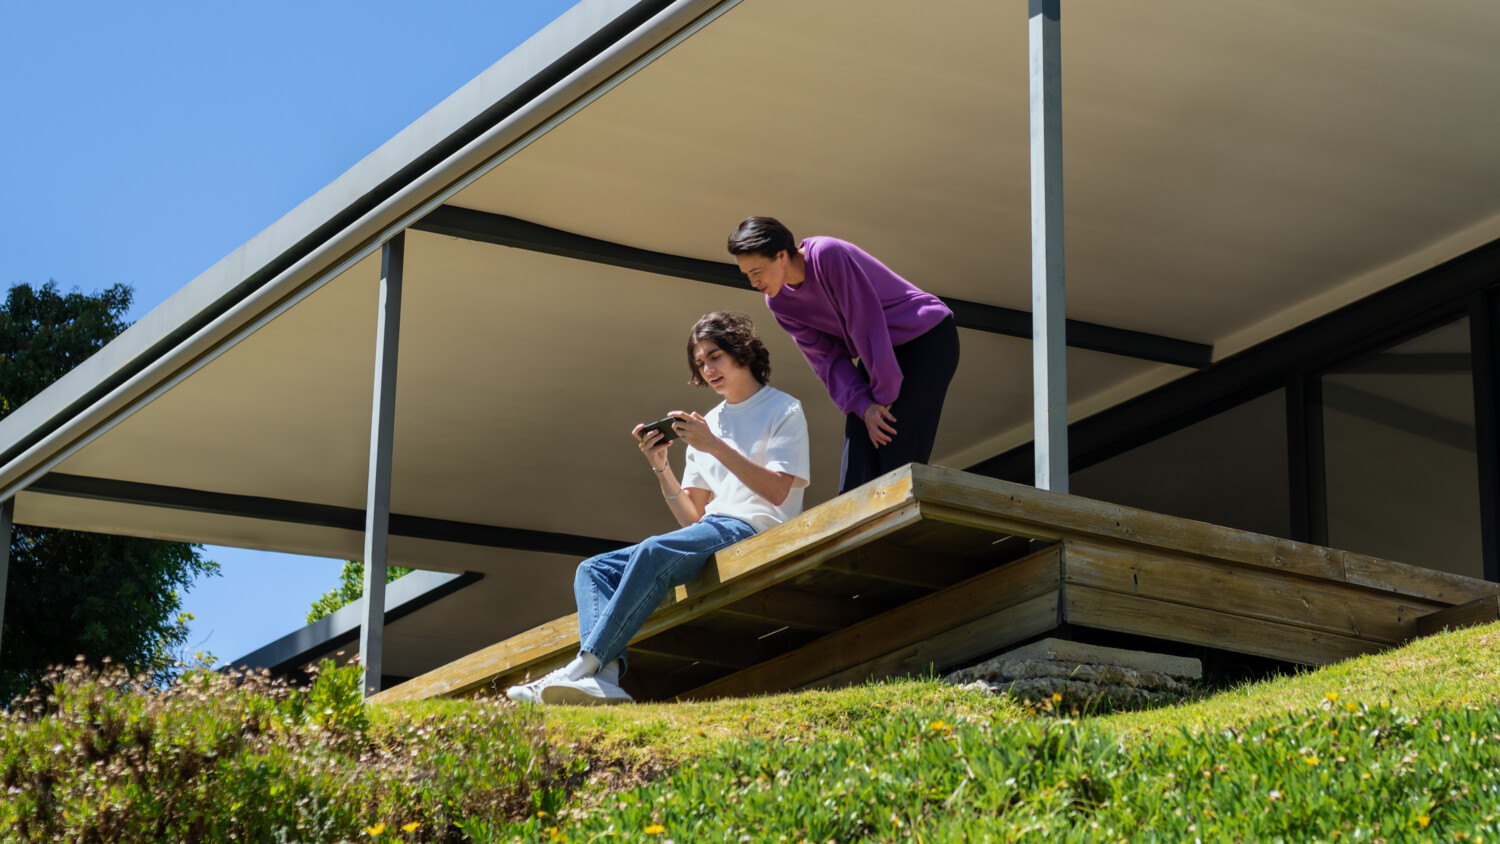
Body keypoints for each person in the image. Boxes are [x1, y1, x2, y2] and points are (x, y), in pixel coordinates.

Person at [507, 311, 810, 706]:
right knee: (592, 569)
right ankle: (606, 677)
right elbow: (694, 518)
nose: (707, 369)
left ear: (743, 352)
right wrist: (661, 465)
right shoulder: (706, 424)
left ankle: (581, 668)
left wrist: (713, 445)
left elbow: (777, 492)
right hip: (713, 530)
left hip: (755, 528)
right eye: (700, 363)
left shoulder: (783, 409)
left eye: (714, 356)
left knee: (652, 550)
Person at [727, 217, 960, 494]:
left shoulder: (826, 255)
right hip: (877, 353)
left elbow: (867, 323)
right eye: (747, 275)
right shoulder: (780, 303)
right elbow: (827, 360)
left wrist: (882, 401)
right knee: (857, 464)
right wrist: (864, 405)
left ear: (780, 256)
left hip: (925, 337)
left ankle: (897, 533)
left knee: (895, 449)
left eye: (757, 271)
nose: (754, 282)